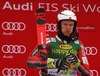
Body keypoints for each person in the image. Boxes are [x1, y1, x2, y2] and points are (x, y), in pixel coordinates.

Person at [45, 10, 90, 76]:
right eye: (65, 24)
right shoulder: (49, 41)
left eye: (71, 25)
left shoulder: (78, 44)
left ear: (74, 27)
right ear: (59, 25)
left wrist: (77, 63)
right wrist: (53, 63)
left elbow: (87, 72)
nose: (68, 28)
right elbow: (31, 61)